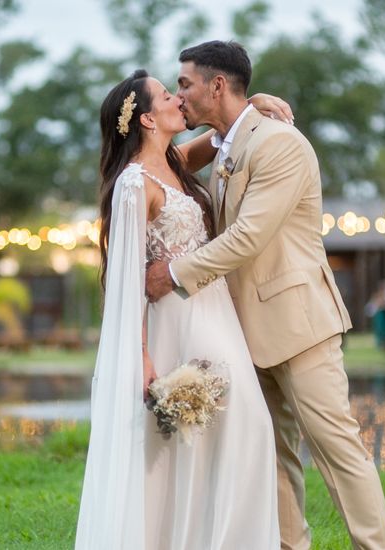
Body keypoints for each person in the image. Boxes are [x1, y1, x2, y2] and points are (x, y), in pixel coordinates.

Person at [145, 41, 385, 550]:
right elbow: (167, 166)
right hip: (245, 333)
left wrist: (172, 273)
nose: (180, 95)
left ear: (217, 86)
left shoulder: (279, 144)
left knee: (336, 450)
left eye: (186, 84)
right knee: (273, 456)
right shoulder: (228, 142)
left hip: (298, 326)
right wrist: (249, 105)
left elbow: (247, 237)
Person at [75, 69, 292, 550]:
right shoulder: (134, 185)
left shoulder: (176, 163)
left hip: (215, 311)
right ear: (148, 119)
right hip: (178, 318)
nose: (180, 100)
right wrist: (143, 355)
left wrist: (253, 100)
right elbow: (128, 280)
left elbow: (226, 132)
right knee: (233, 427)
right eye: (169, 95)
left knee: (237, 431)